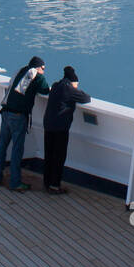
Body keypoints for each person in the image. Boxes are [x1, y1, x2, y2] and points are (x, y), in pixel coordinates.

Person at [0, 56, 49, 192]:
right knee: (17, 150)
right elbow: (45, 90)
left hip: (5, 113)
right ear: (38, 67)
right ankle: (15, 182)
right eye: (43, 68)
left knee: (2, 146)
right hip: (18, 116)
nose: (44, 71)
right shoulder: (37, 77)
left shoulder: (21, 70)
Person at [43, 66, 90, 194]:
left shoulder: (56, 85)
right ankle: (54, 186)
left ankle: (46, 182)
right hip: (60, 128)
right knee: (59, 156)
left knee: (49, 154)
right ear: (73, 82)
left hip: (48, 125)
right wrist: (75, 88)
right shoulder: (69, 89)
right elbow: (86, 98)